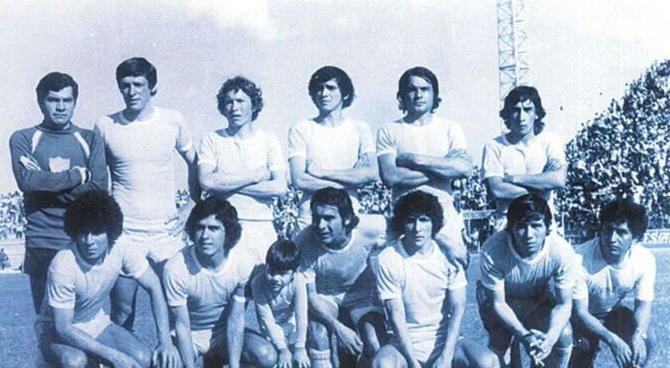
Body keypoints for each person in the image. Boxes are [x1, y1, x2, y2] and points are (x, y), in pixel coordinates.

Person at [36, 191, 175, 368]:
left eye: (97, 232)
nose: (89, 240)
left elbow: (155, 287)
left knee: (141, 360)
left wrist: (165, 340)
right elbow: (63, 328)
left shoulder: (122, 248)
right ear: (74, 231)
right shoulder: (63, 264)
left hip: (94, 321)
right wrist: (111, 355)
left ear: (110, 232)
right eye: (83, 232)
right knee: (74, 362)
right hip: (54, 329)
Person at [10, 72, 107, 368]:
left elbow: (99, 189)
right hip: (43, 244)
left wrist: (49, 184)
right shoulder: (24, 138)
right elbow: (27, 181)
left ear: (75, 102)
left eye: (67, 100)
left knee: (89, 324)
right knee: (47, 326)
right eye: (53, 100)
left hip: (81, 244)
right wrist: (76, 177)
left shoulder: (89, 138)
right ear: (41, 102)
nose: (61, 106)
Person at [95, 57, 198, 331]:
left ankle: (175, 359)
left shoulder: (173, 120)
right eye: (125, 85)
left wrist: (191, 204)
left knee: (175, 306)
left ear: (152, 87)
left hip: (166, 233)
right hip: (125, 232)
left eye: (138, 84)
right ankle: (123, 360)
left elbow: (196, 163)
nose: (132, 91)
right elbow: (99, 179)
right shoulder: (106, 125)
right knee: (122, 310)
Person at [370, 191, 499, 368]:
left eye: (423, 220)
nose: (417, 228)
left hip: (442, 341)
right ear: (402, 223)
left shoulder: (449, 257)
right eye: (410, 221)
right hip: (404, 344)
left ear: (434, 223)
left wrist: (446, 356)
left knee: (490, 366)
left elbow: (458, 307)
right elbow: (396, 315)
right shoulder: (388, 258)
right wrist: (414, 365)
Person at [162, 197, 278, 368]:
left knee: (266, 357)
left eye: (214, 228)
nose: (205, 236)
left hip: (223, 332)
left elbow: (236, 320)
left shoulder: (245, 261)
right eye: (200, 228)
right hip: (192, 334)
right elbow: (182, 326)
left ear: (229, 232)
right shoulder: (176, 268)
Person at [478, 194, 576, 368]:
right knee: (501, 336)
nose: (529, 234)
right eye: (521, 226)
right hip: (500, 302)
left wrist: (550, 337)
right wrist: (524, 336)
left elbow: (564, 303)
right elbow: (498, 303)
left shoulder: (561, 250)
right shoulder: (493, 249)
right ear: (510, 228)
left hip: (536, 300)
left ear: (548, 227)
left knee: (564, 334)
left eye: (536, 225)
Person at [295, 187, 385, 368]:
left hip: (360, 293)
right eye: (316, 218)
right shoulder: (303, 242)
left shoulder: (370, 227)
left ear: (347, 218)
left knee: (373, 340)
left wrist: (449, 244)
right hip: (325, 295)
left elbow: (404, 226)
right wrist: (337, 327)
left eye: (328, 218)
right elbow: (310, 295)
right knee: (317, 331)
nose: (320, 225)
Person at [568, 199, 656, 368]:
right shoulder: (579, 258)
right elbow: (580, 312)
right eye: (608, 230)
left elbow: (643, 305)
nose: (612, 238)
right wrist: (613, 339)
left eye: (621, 232)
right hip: (579, 316)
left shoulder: (644, 260)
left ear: (635, 238)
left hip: (612, 313)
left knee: (647, 338)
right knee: (585, 344)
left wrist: (638, 334)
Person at [377, 66, 472, 265]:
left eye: (425, 89)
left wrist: (415, 160)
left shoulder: (450, 128)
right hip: (406, 221)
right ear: (402, 95)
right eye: (412, 89)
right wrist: (444, 168)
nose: (418, 95)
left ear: (435, 94)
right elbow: (390, 176)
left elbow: (464, 169)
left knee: (453, 273)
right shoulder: (389, 130)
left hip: (445, 220)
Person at [198, 76, 287, 263]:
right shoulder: (212, 139)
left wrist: (223, 184)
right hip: (224, 226)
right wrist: (255, 176)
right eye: (228, 102)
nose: (234, 108)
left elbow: (279, 187)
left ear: (253, 105)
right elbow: (206, 181)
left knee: (260, 278)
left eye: (240, 101)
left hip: (261, 227)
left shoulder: (269, 141)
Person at [288, 66, 378, 231]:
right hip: (311, 216)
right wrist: (349, 181)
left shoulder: (360, 128)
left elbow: (371, 173)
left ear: (345, 94)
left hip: (348, 213)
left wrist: (322, 173)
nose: (324, 94)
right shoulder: (301, 128)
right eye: (319, 88)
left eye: (331, 88)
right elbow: (299, 180)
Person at [252, 240, 316, 368]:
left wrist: (300, 347)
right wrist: (282, 349)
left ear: (293, 273)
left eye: (283, 274)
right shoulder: (258, 283)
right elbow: (267, 321)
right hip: (272, 332)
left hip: (293, 328)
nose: (275, 278)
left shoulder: (299, 281)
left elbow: (302, 314)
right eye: (272, 271)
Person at [481, 85, 567, 232]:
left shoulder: (551, 141)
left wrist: (514, 179)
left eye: (527, 110)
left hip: (542, 222)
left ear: (537, 113)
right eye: (515, 110)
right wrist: (542, 189)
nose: (521, 117)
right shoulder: (494, 146)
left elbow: (558, 180)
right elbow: (497, 190)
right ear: (507, 114)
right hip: (507, 225)